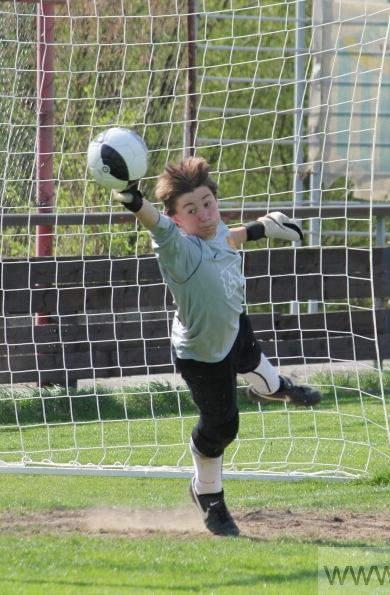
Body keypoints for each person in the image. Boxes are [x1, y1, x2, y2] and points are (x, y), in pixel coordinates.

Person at [112, 157, 321, 537]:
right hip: (203, 354)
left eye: (208, 202)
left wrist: (263, 228)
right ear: (177, 219)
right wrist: (132, 200)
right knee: (222, 427)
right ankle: (207, 494)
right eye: (191, 210)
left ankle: (277, 388)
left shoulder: (217, 229)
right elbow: (155, 224)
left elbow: (229, 235)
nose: (204, 214)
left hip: (234, 326)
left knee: (253, 358)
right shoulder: (178, 248)